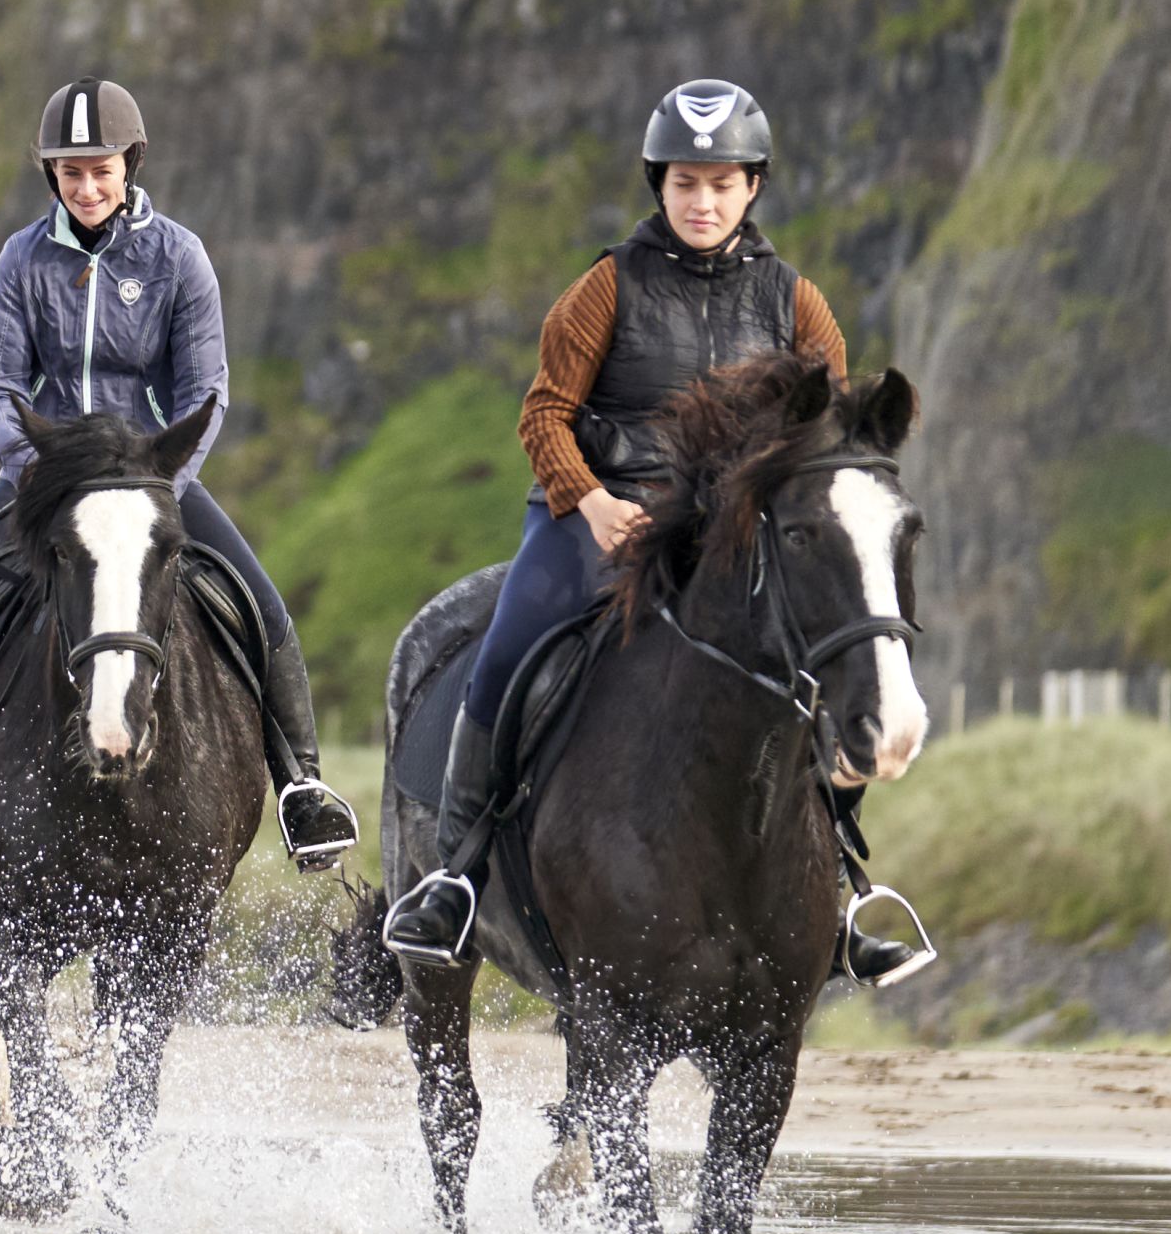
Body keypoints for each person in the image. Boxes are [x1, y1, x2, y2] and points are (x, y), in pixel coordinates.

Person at [378, 79, 929, 983]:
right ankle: (457, 876)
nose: (702, 201)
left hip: (727, 537)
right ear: (659, 185)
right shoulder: (606, 287)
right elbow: (544, 415)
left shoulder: (797, 303)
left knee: (822, 666)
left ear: (753, 187)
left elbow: (822, 437)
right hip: (601, 515)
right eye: (685, 183)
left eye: (721, 184)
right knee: (507, 649)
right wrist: (592, 502)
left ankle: (835, 894)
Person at [0, 80, 360, 871]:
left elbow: (205, 393)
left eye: (101, 171)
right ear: (50, 174)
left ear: (132, 165)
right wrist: (36, 473)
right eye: (71, 173)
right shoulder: (22, 258)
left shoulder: (179, 257)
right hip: (47, 480)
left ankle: (303, 786)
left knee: (260, 602)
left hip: (151, 478)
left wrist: (156, 487)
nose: (87, 188)